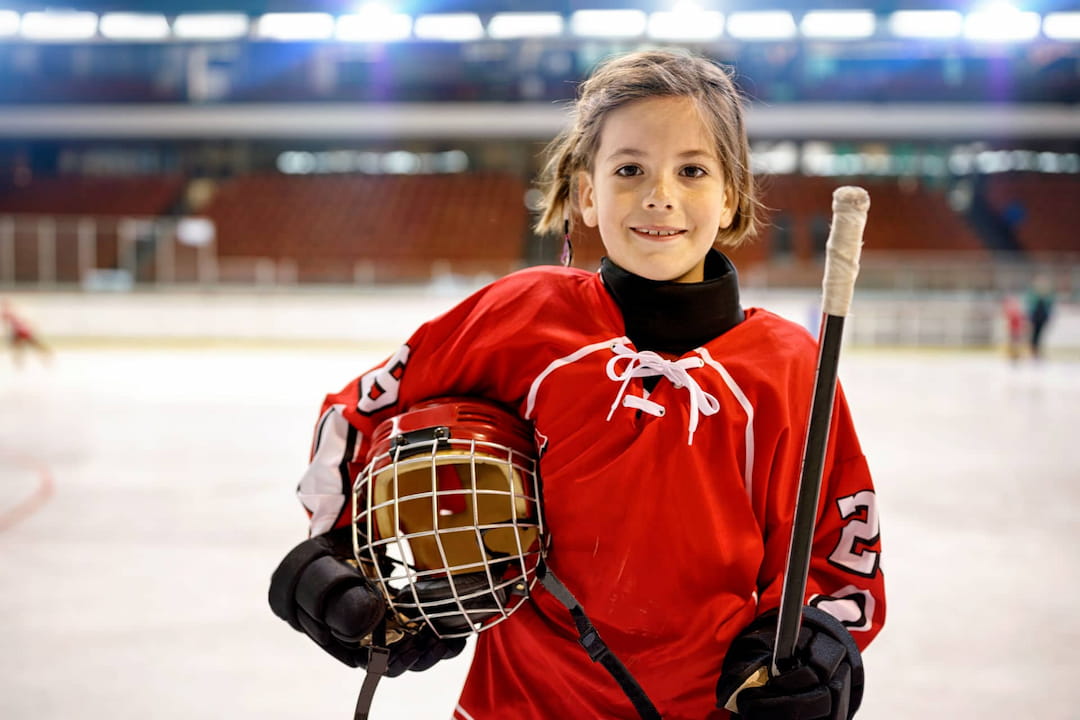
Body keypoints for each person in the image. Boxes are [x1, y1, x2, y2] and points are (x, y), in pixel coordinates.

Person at [269, 49, 886, 719]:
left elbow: (839, 547)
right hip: (519, 706)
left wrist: (820, 645)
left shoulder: (789, 366)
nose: (659, 194)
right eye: (629, 169)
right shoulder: (522, 316)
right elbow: (357, 415)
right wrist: (335, 554)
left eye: (692, 170)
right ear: (587, 194)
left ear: (731, 194)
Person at [2, 299, 52, 367]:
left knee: (25, 345)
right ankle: (19, 361)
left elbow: (18, 322)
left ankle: (46, 354)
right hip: (20, 331)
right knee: (21, 346)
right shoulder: (12, 312)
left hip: (22, 331)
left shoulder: (10, 313)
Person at [1025, 275, 1055, 360]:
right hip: (1035, 318)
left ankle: (1037, 351)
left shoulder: (1048, 294)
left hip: (1042, 318)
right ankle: (1033, 352)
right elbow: (1029, 305)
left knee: (1040, 335)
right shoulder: (1032, 293)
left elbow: (1050, 306)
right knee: (1034, 335)